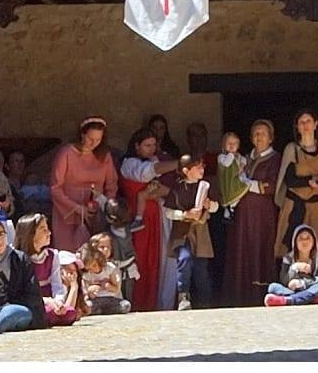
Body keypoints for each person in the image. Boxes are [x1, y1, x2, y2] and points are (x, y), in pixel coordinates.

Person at [221, 119, 281, 307]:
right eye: (255, 133)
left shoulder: (275, 159)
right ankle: (239, 294)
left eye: (263, 133)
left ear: (271, 138)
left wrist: (248, 185)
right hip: (241, 216)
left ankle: (260, 294)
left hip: (262, 215)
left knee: (259, 247)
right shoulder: (243, 159)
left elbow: (274, 185)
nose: (258, 137)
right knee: (240, 249)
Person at [118, 127, 177, 312]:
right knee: (141, 262)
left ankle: (158, 304)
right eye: (147, 145)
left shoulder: (155, 160)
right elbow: (147, 173)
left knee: (157, 264)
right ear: (137, 146)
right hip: (139, 221)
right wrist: (180, 163)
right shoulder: (129, 164)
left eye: (153, 145)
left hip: (157, 220)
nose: (151, 149)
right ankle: (140, 303)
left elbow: (166, 188)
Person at [51, 117, 119, 254]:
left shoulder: (104, 156)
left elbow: (111, 185)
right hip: (67, 212)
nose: (94, 143)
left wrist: (105, 206)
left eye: (98, 140)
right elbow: (55, 188)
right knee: (68, 256)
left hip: (95, 214)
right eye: (90, 138)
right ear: (82, 134)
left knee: (93, 255)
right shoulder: (66, 153)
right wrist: (76, 208)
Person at [164, 154, 219, 310]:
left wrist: (209, 205)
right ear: (186, 171)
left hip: (200, 231)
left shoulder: (206, 186)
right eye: (198, 167)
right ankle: (183, 296)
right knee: (184, 259)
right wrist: (184, 215)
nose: (202, 169)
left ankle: (205, 300)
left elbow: (216, 207)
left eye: (203, 166)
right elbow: (168, 212)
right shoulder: (177, 189)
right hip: (182, 232)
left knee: (201, 267)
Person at [273, 110, 318, 259]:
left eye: (308, 121)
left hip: (317, 206)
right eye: (301, 122)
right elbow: (289, 180)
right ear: (297, 127)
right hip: (295, 205)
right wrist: (309, 182)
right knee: (290, 247)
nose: (305, 125)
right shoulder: (292, 149)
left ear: (316, 124)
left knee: (317, 246)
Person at [14, 213, 80, 327]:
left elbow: (57, 286)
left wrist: (58, 303)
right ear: (31, 233)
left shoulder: (52, 255)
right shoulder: (18, 258)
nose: (49, 233)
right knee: (44, 313)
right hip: (33, 302)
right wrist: (47, 301)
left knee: (70, 313)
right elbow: (21, 292)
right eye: (43, 229)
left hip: (51, 303)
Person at [264, 224, 318, 306]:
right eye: (300, 239)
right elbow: (283, 280)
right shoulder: (288, 258)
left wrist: (303, 283)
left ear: (313, 241)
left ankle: (290, 300)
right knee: (273, 287)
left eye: (308, 238)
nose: (304, 241)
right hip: (295, 290)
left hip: (312, 288)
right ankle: (312, 299)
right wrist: (294, 268)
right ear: (295, 242)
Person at [79, 235, 131, 314]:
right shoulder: (87, 274)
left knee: (126, 305)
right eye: (89, 268)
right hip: (96, 300)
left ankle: (104, 310)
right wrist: (90, 291)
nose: (93, 269)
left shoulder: (110, 269)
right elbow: (85, 292)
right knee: (87, 306)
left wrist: (107, 285)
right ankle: (98, 310)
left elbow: (117, 289)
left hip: (111, 298)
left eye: (94, 265)